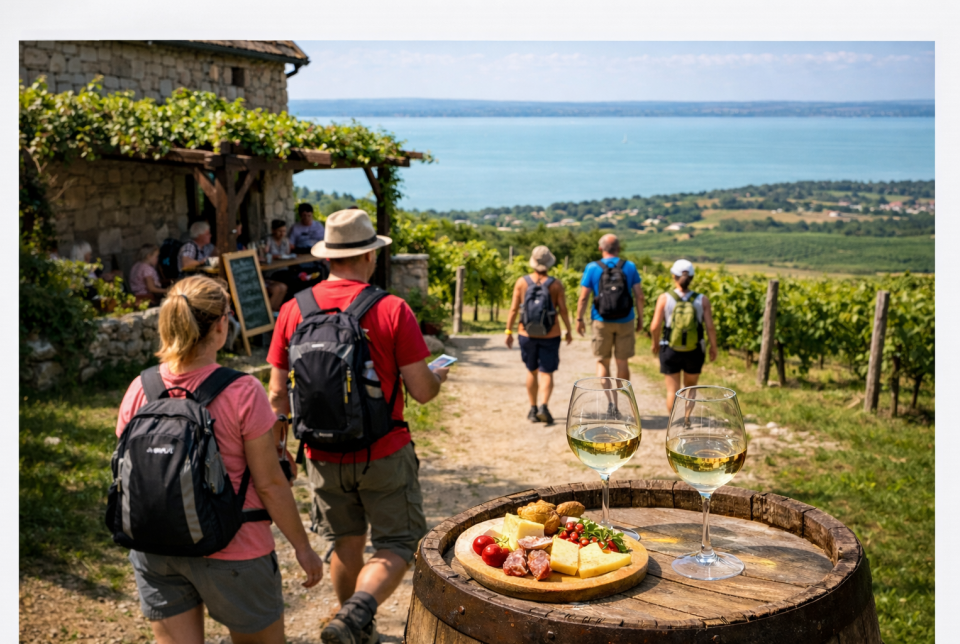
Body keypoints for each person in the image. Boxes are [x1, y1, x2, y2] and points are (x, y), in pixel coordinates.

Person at [266, 208, 449, 644]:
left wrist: (277, 450)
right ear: (369, 255)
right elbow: (421, 391)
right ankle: (356, 615)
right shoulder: (390, 309)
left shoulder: (293, 310)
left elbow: (275, 395)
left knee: (344, 543)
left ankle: (351, 626)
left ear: (329, 256)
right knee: (399, 543)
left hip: (320, 455)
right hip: (383, 451)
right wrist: (438, 375)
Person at [115, 276, 324, 644]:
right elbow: (270, 484)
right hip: (236, 551)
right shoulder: (242, 391)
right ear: (221, 325)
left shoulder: (139, 388)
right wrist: (303, 549)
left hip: (155, 550)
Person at [504, 245, 573, 425]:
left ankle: (532, 408)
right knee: (547, 372)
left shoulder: (521, 282)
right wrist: (569, 330)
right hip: (551, 334)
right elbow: (563, 310)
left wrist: (508, 330)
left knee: (531, 370)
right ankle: (544, 406)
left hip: (526, 333)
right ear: (549, 263)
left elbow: (513, 309)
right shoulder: (556, 284)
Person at [649, 259, 718, 413]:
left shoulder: (664, 298)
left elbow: (655, 326)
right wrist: (713, 346)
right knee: (690, 388)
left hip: (670, 348)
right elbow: (710, 327)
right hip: (694, 349)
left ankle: (674, 423)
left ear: (673, 276)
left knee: (672, 391)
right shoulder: (702, 299)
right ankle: (687, 419)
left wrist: (655, 343)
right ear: (692, 278)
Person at [575, 234, 644, 383]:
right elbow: (640, 296)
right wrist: (640, 319)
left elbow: (584, 297)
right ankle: (621, 397)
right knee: (622, 362)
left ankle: (610, 402)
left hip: (601, 319)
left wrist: (579, 319)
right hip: (626, 319)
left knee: (602, 361)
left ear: (600, 248)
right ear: (619, 248)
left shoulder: (592, 267)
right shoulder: (630, 266)